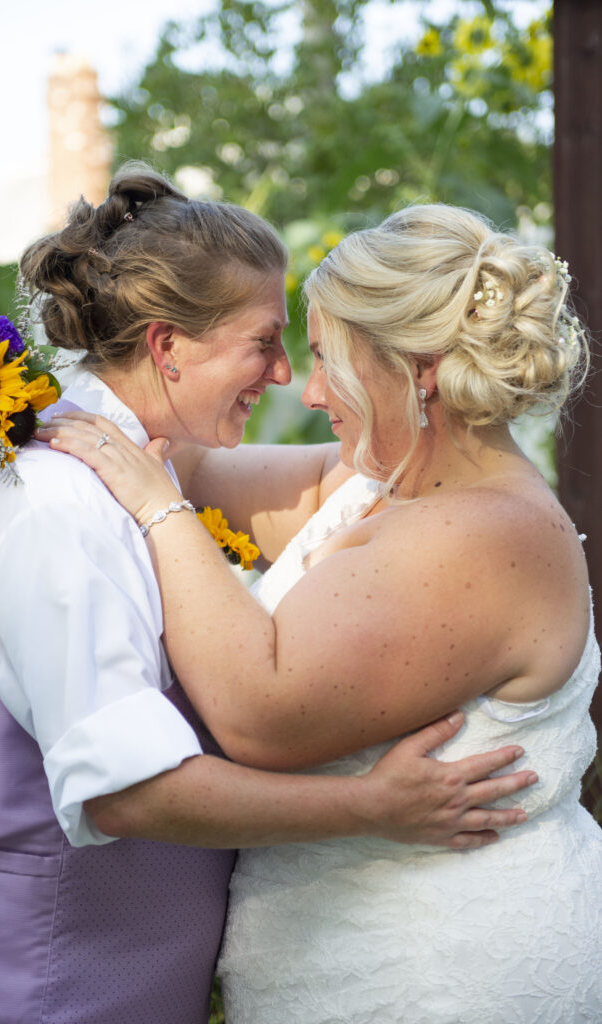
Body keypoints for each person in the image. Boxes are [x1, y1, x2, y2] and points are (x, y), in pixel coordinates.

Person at [0, 171, 534, 1024]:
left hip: (124, 983)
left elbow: (343, 481)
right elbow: (123, 791)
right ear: (168, 347)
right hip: (39, 990)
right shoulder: (54, 508)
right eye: (264, 342)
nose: (285, 376)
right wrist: (372, 807)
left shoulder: (143, 471)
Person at [42, 202, 602, 1023]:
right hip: (342, 959)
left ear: (417, 368)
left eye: (329, 361)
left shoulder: (486, 537)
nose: (305, 391)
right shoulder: (380, 479)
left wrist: (157, 511)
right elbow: (182, 451)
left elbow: (260, 715)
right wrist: (145, 334)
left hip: (438, 976)